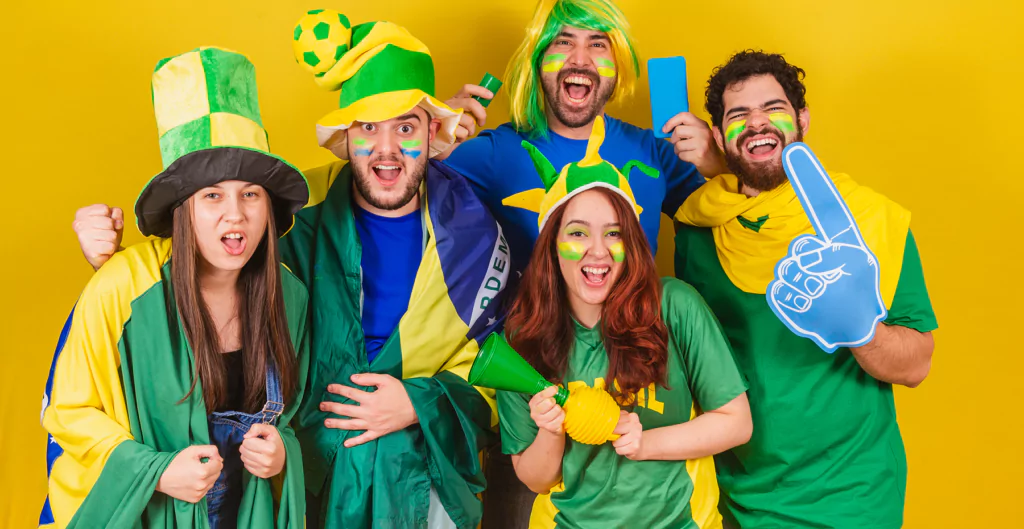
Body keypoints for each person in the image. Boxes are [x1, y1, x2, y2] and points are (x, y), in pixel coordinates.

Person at [68, 12, 509, 528]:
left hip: (417, 472)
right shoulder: (299, 211)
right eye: (368, 126)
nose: (386, 150)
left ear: (433, 132)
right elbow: (206, 254)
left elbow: (495, 364)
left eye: (406, 127)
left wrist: (418, 401)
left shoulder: (474, 232)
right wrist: (110, 261)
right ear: (345, 135)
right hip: (307, 474)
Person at [39, 47, 310, 528]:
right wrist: (157, 473)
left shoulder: (290, 299)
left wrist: (280, 457)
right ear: (183, 210)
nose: (235, 214)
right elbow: (69, 411)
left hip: (244, 514)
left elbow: (293, 418)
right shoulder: (125, 286)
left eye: (251, 194)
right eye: (212, 196)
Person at [674, 50, 938, 528]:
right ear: (718, 136)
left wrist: (862, 331)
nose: (757, 124)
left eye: (773, 109)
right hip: (736, 498)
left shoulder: (872, 221)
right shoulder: (698, 227)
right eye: (738, 115)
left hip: (852, 495)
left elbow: (917, 363)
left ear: (802, 119)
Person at [496, 116, 752, 528]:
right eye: (578, 234)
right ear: (552, 244)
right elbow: (535, 477)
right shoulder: (522, 338)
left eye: (614, 234)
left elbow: (736, 423)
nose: (597, 251)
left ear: (631, 244)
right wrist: (550, 430)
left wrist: (645, 441)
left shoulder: (674, 306)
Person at [441, 0, 726, 280]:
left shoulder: (656, 154)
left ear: (618, 64)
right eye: (563, 42)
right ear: (539, 59)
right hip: (532, 326)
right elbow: (410, 214)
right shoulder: (494, 153)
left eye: (597, 43)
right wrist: (428, 143)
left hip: (634, 326)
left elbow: (741, 228)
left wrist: (719, 167)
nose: (579, 59)